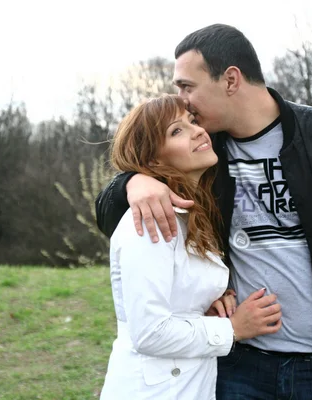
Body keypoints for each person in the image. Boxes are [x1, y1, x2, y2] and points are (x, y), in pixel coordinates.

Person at [95, 24, 312, 400]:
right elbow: (112, 216)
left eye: (187, 86)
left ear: (230, 79)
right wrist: (133, 182)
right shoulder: (205, 154)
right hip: (235, 366)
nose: (181, 99)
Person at [99, 94, 282, 400]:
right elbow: (149, 333)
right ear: (154, 160)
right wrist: (233, 329)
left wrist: (210, 303)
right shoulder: (149, 221)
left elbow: (176, 296)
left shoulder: (192, 215)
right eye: (177, 131)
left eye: (193, 121)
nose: (197, 131)